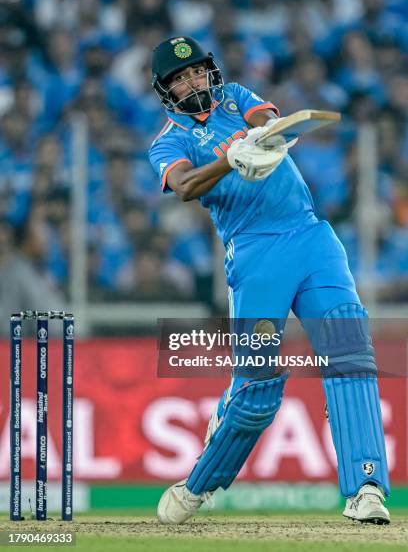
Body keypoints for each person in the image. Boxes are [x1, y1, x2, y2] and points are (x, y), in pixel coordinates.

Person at [148, 36, 390, 525]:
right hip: (255, 254)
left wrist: (259, 137)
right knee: (258, 384)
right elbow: (186, 186)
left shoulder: (235, 95)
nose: (194, 81)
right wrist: (228, 160)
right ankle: (198, 485)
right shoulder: (168, 140)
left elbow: (268, 120)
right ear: (166, 90)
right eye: (181, 77)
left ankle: (365, 487)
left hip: (310, 235)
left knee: (349, 351)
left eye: (197, 71)